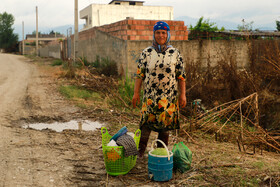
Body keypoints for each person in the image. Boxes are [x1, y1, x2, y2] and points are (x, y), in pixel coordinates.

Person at [132, 21, 186, 157]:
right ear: (154, 34)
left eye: (163, 32)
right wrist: (136, 93)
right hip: (150, 97)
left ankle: (160, 154)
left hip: (168, 98)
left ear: (167, 34)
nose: (160, 35)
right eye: (157, 32)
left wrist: (183, 95)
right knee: (145, 125)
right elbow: (140, 74)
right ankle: (139, 153)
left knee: (165, 127)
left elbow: (181, 76)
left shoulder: (175, 53)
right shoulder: (147, 53)